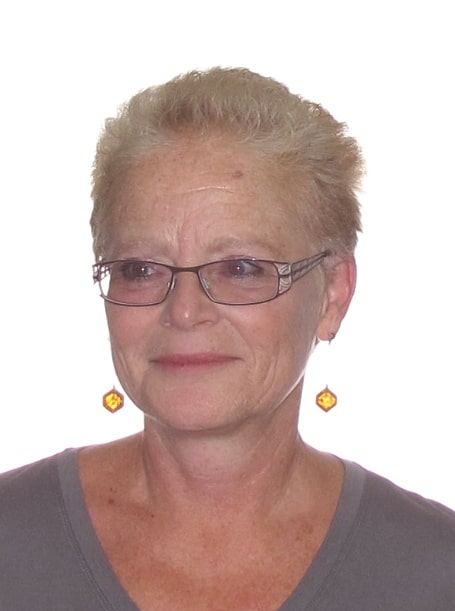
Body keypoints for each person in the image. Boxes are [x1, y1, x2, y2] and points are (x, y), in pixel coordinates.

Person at [0, 67, 454, 611]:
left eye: (240, 267)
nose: (184, 311)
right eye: (141, 269)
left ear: (333, 294)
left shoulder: (436, 569)